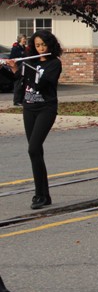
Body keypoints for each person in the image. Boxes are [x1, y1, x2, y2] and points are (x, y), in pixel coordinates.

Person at [7, 30, 62, 209]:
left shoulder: (54, 63)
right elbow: (22, 82)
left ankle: (41, 194)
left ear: (50, 45)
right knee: (35, 152)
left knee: (33, 148)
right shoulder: (30, 61)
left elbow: (43, 83)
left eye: (43, 45)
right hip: (29, 108)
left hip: (46, 108)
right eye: (37, 45)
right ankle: (43, 194)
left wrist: (27, 71)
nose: (40, 49)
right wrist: (15, 68)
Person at [10, 34, 26, 106]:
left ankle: (22, 100)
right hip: (17, 68)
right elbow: (12, 58)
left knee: (23, 84)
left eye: (25, 39)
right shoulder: (15, 48)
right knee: (18, 84)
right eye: (23, 39)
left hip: (24, 67)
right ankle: (16, 101)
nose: (25, 40)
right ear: (20, 39)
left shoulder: (24, 48)